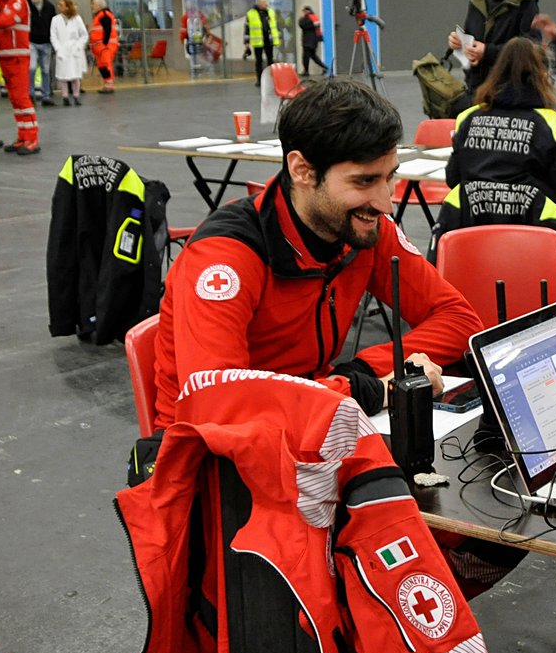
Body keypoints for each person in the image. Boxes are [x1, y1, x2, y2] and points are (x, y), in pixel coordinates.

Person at [151, 76, 483, 432]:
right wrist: (363, 390)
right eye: (364, 181)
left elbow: (459, 320)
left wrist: (362, 372)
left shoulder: (363, 227)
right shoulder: (225, 256)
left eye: (390, 177)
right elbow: (218, 404)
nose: (386, 202)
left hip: (312, 422)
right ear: (302, 171)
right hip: (213, 458)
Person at [431, 38, 556, 273]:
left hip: (472, 250)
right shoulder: (550, 124)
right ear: (542, 75)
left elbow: (454, 178)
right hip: (532, 250)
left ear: (496, 72)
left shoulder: (469, 118)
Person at [446, 0, 540, 101]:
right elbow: (471, 35)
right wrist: (458, 43)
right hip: (475, 87)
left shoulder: (526, 4)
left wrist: (487, 52)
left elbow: (530, 50)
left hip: (507, 92)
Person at [0, 0, 39, 155]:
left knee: (22, 98)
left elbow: (5, 21)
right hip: (3, 57)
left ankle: (32, 138)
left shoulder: (19, 1)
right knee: (15, 100)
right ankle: (22, 135)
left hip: (17, 57)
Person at [51, 0, 88, 106]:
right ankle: (65, 97)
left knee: (75, 75)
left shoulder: (77, 18)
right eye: (58, 5)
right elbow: (53, 36)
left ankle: (76, 96)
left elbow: (84, 35)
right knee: (63, 76)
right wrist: (58, 49)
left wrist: (78, 46)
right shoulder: (55, 19)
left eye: (61, 5)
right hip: (62, 50)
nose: (59, 7)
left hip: (74, 50)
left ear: (67, 6)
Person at [28, 0, 56, 106]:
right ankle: (30, 94)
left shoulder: (49, 7)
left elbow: (53, 24)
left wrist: (53, 40)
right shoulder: (26, 4)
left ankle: (46, 95)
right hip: (31, 42)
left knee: (45, 70)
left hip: (46, 42)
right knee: (31, 68)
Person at [244, 0, 279, 85]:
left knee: (270, 60)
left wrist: (278, 37)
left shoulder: (270, 12)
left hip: (269, 39)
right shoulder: (250, 14)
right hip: (258, 41)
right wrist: (246, 42)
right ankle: (259, 80)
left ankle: (271, 80)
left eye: (266, 2)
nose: (266, 4)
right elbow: (247, 29)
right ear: (259, 3)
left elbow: (275, 26)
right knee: (259, 61)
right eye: (264, 2)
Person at [89, 0, 119, 93]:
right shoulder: (99, 15)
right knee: (102, 65)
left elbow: (107, 29)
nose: (92, 5)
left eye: (93, 3)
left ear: (99, 5)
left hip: (105, 46)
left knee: (106, 64)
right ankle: (107, 84)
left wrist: (104, 44)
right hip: (101, 46)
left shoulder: (104, 14)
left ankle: (109, 85)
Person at [297, 6, 327, 76]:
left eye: (303, 11)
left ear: (306, 11)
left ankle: (306, 71)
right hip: (314, 40)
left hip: (308, 41)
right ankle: (324, 67)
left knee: (306, 56)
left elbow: (301, 24)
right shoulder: (314, 17)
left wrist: (301, 18)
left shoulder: (308, 18)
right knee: (313, 56)